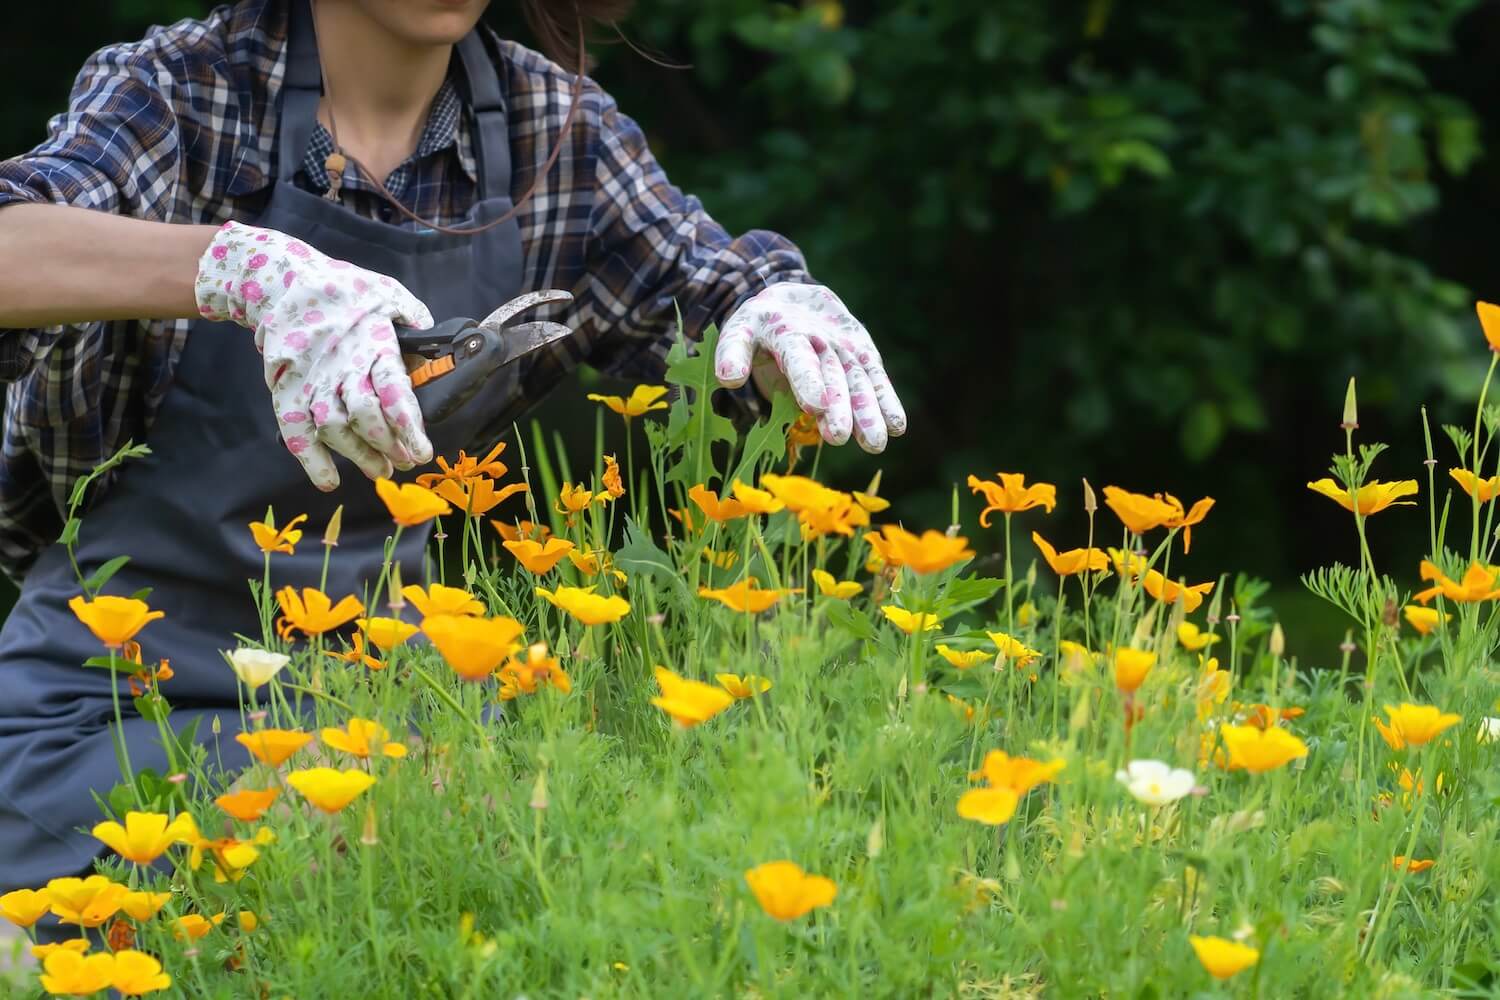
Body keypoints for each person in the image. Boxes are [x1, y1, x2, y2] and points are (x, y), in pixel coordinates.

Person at [0, 0, 907, 892]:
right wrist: (238, 270)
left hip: (373, 707)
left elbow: (707, 296)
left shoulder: (556, 131)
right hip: (107, 720)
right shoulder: (183, 91)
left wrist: (769, 313)